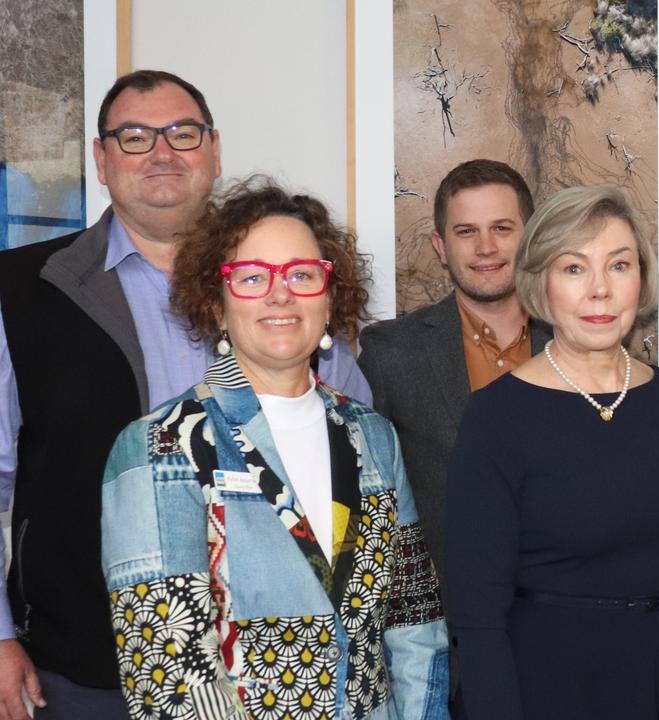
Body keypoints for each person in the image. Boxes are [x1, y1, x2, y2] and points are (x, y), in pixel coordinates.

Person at [0, 70, 369, 720]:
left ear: (215, 150)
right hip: (86, 669)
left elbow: (359, 475)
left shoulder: (285, 291)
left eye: (183, 133)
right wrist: (0, 635)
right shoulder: (23, 293)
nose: (162, 152)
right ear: (101, 158)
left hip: (275, 664)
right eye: (135, 136)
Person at [100, 180, 448, 719]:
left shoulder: (374, 438)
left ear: (330, 300)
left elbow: (414, 622)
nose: (279, 294)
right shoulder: (159, 446)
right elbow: (168, 677)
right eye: (252, 277)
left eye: (302, 275)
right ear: (215, 305)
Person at [445, 185, 659, 719]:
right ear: (541, 283)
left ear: (641, 280)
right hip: (551, 684)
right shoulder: (496, 418)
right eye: (574, 268)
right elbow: (477, 614)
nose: (600, 291)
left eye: (619, 265)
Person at [359, 159, 549, 590]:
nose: (486, 248)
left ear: (532, 238)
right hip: (446, 628)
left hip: (566, 615)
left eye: (502, 228)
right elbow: (374, 506)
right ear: (441, 246)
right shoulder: (391, 354)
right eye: (466, 232)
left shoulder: (577, 343)